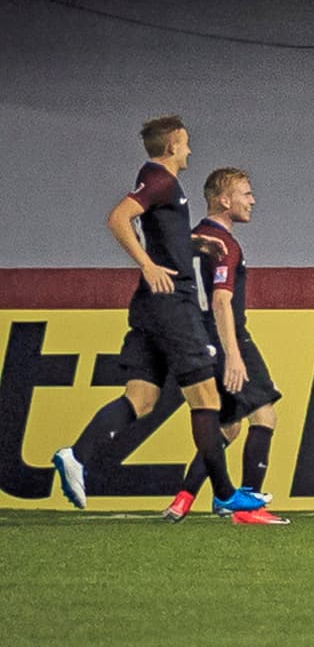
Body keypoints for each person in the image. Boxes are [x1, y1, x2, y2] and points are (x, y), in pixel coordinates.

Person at [51, 116, 268, 517]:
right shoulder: (161, 179)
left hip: (150, 305)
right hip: (172, 303)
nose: (188, 150)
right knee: (206, 399)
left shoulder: (160, 184)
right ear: (171, 146)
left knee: (142, 398)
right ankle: (223, 493)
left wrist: (194, 243)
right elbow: (118, 218)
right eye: (185, 144)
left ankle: (76, 455)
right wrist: (147, 264)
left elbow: (163, 235)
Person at [162, 168, 288, 525]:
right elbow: (221, 301)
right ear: (223, 199)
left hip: (198, 339)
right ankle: (248, 508)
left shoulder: (190, 240)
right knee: (264, 415)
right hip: (227, 336)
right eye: (246, 193)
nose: (252, 200)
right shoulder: (223, 244)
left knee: (229, 425)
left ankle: (184, 498)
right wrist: (233, 354)